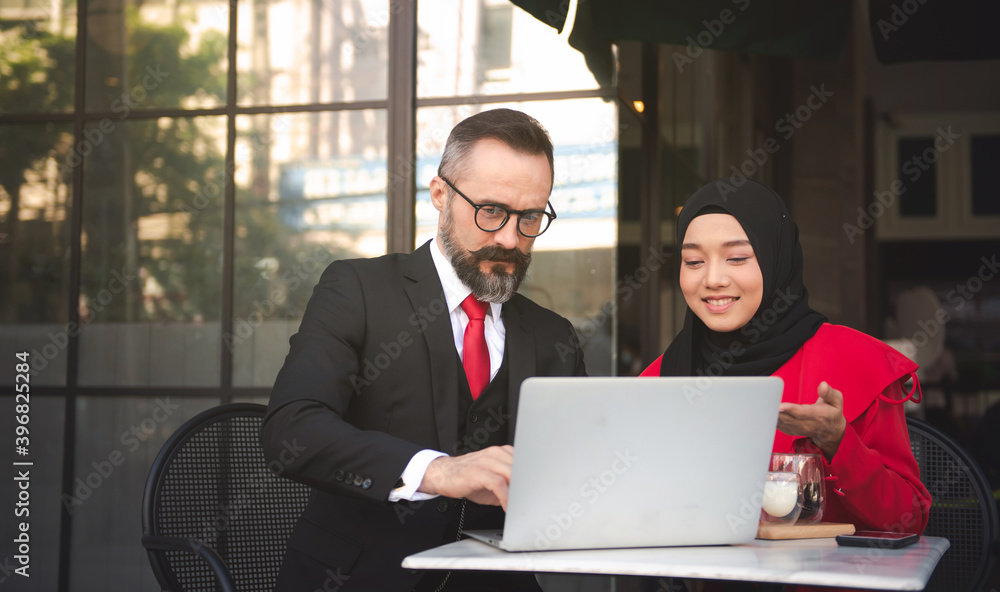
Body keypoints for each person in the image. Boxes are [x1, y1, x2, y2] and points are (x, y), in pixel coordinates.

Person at [261, 108, 586, 591]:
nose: (509, 239)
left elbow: (576, 475)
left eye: (531, 217)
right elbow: (292, 429)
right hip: (354, 579)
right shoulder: (357, 289)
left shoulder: (554, 336)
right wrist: (434, 471)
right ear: (440, 195)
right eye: (491, 211)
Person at [640, 178, 931, 537]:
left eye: (737, 258)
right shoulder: (658, 382)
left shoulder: (857, 363)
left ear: (777, 257)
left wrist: (839, 443)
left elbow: (908, 519)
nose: (712, 279)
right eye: (694, 261)